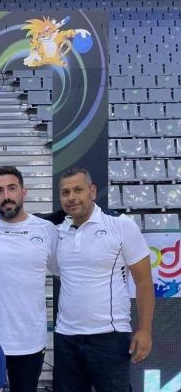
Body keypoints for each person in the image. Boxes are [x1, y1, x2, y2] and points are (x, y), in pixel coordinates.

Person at [52, 167, 154, 392]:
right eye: (65, 192)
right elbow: (62, 275)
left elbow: (144, 282)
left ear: (92, 191)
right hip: (66, 338)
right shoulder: (57, 232)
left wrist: (145, 330)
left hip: (110, 338)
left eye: (78, 190)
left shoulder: (121, 225)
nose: (71, 197)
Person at [0, 166, 57, 392]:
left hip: (30, 340)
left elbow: (61, 270)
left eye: (12, 188)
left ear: (24, 192)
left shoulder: (47, 230)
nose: (6, 196)